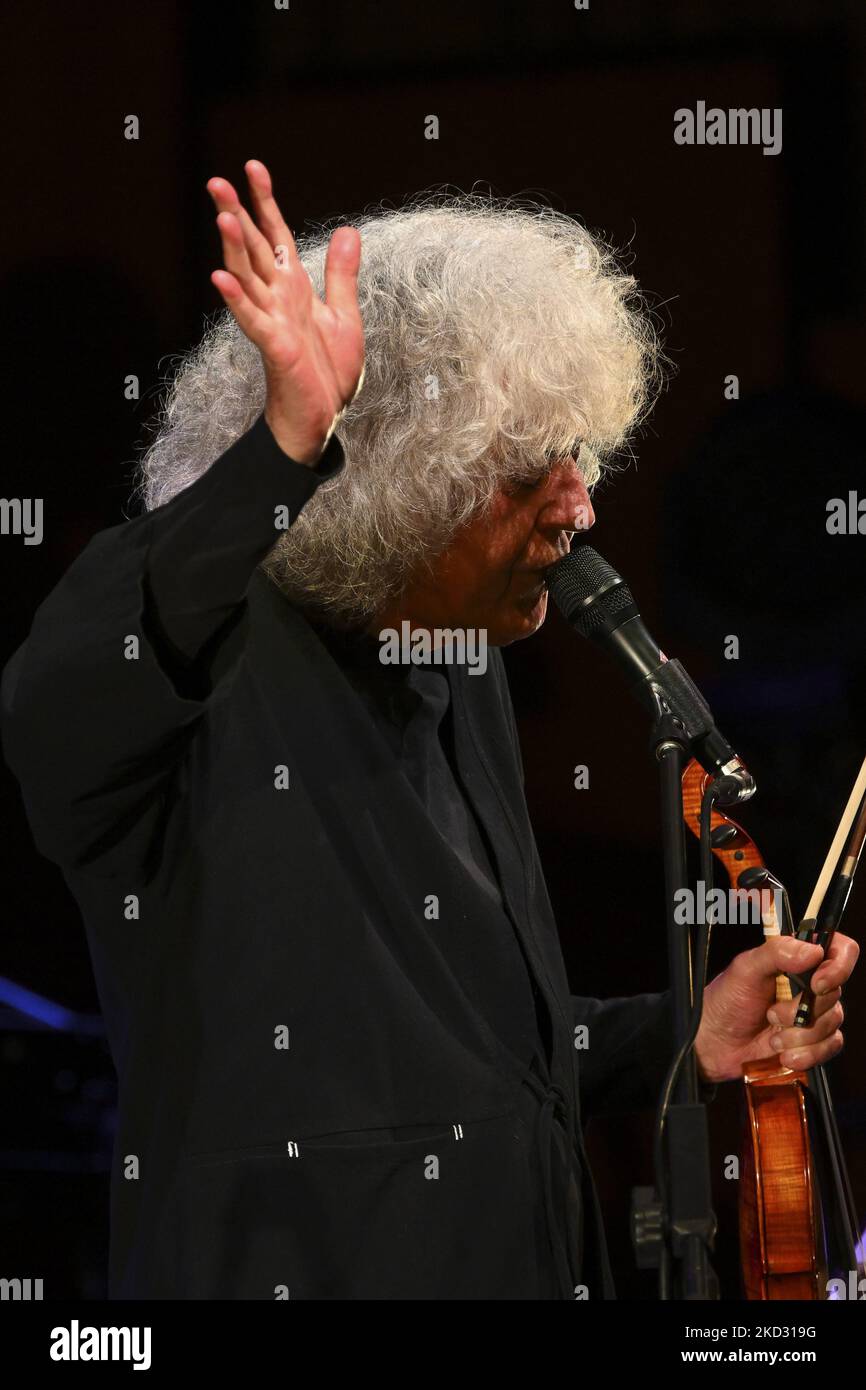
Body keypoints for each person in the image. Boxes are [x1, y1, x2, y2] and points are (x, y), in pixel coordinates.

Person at [2, 161, 856, 1300]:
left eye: (580, 456)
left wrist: (679, 1035)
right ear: (397, 477)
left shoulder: (455, 658)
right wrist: (280, 457)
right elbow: (55, 697)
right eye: (527, 469)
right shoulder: (188, 655)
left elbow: (476, 1061)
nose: (580, 504)